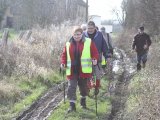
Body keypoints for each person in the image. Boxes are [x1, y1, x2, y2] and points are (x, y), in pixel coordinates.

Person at [61, 27, 99, 113]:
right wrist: (63, 63)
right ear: (72, 34)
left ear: (82, 34)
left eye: (78, 34)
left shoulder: (88, 42)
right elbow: (64, 55)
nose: (77, 36)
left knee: (83, 88)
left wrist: (95, 59)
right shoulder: (68, 44)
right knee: (71, 87)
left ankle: (83, 100)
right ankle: (72, 106)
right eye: (75, 34)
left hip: (84, 70)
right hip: (72, 70)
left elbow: (95, 53)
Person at [83, 21, 111, 92]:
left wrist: (107, 56)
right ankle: (88, 88)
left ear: (95, 27)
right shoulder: (83, 35)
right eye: (88, 28)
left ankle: (96, 87)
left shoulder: (99, 35)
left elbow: (104, 46)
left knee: (97, 75)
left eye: (91, 28)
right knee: (88, 75)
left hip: (97, 59)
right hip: (86, 60)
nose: (90, 30)